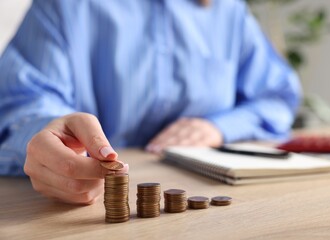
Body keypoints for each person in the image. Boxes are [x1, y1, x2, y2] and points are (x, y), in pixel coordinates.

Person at [0, 0, 301, 204]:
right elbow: (23, 105)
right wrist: (44, 137)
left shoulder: (228, 11)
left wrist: (219, 127)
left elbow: (278, 96)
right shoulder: (63, 7)